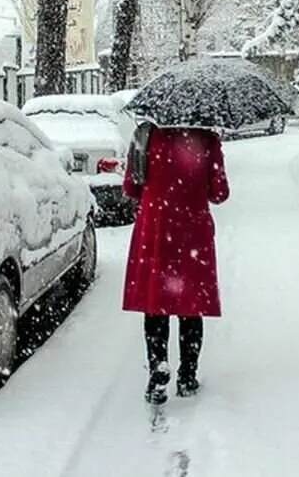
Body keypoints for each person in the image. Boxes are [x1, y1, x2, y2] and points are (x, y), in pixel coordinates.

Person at [122, 122, 230, 405]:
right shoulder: (207, 140)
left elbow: (131, 187)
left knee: (156, 302)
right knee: (190, 303)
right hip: (192, 230)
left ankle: (158, 369)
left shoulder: (145, 135)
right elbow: (220, 193)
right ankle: (187, 376)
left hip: (155, 228)